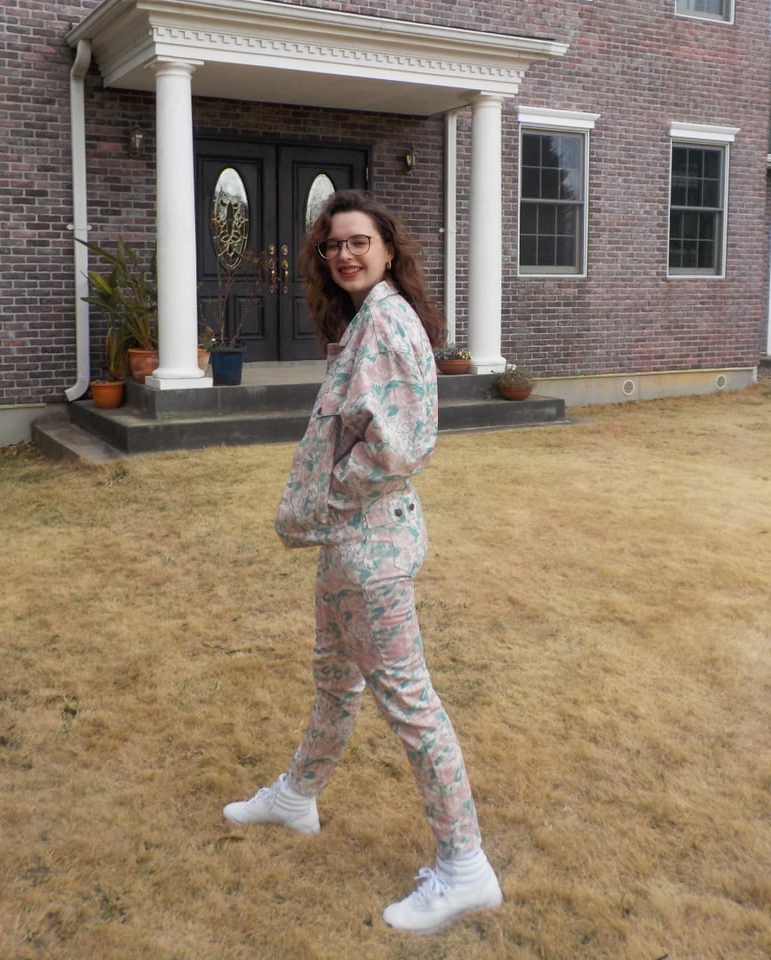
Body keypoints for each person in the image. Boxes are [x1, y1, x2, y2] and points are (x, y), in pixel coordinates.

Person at [222, 190, 503, 933]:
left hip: (369, 546)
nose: (344, 254)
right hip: (351, 545)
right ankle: (296, 797)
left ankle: (465, 867)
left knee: (411, 705)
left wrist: (330, 496)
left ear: (387, 248)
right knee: (334, 680)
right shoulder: (366, 320)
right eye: (332, 245)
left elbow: (399, 447)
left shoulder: (385, 322)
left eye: (358, 242)